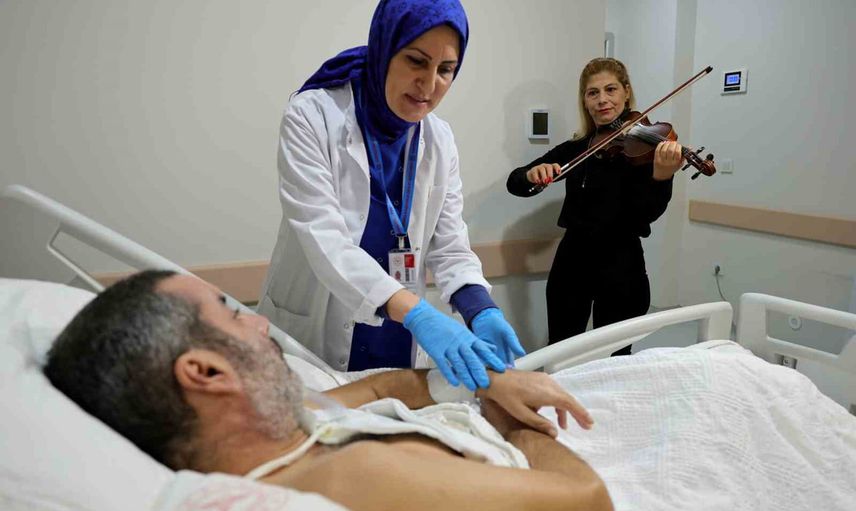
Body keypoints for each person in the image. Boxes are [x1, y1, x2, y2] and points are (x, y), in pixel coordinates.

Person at [44, 270, 613, 511]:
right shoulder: (350, 473)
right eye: (233, 315)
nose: (260, 323)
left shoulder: (289, 426)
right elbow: (587, 500)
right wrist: (509, 415)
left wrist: (491, 378)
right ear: (207, 373)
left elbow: (387, 384)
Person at [257, 0, 525, 389]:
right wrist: (420, 315)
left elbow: (449, 246)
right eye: (416, 61)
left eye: (445, 70)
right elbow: (324, 240)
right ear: (385, 49)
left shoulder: (439, 139)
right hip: (316, 336)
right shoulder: (312, 116)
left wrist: (480, 309)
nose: (429, 85)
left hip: (398, 333)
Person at [506, 57, 684, 355]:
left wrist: (661, 177)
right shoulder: (576, 148)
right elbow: (515, 183)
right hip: (572, 260)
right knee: (560, 349)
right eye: (593, 93)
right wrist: (530, 174)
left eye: (610, 89)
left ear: (626, 92)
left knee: (616, 357)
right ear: (585, 101)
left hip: (622, 262)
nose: (602, 100)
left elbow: (646, 213)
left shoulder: (645, 147)